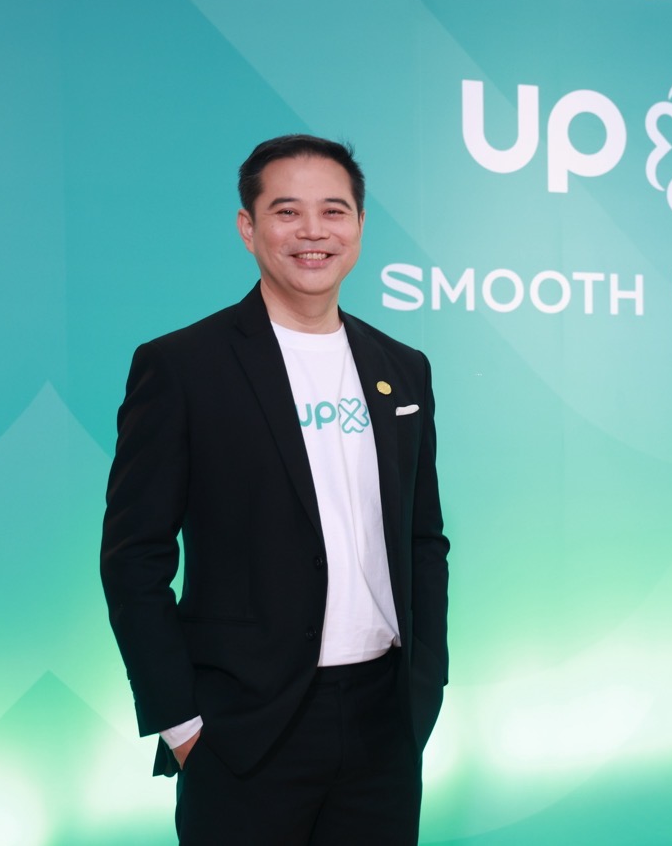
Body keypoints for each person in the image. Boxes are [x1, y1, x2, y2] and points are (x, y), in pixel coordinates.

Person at [100, 134, 449, 845]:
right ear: (248, 227)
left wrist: (427, 680)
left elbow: (423, 538)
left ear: (359, 226)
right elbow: (134, 556)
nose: (313, 231)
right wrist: (181, 723)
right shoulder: (183, 366)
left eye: (334, 211)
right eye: (287, 211)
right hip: (244, 729)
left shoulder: (402, 366)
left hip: (385, 719)